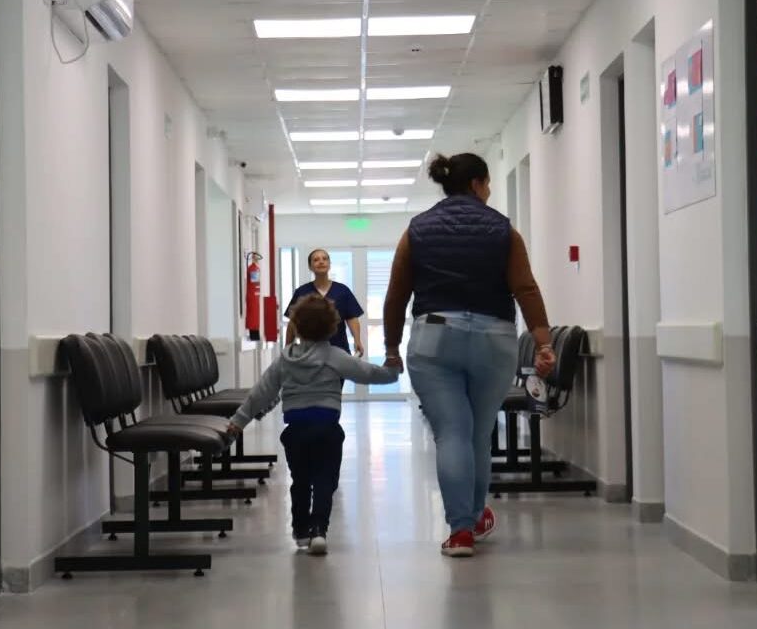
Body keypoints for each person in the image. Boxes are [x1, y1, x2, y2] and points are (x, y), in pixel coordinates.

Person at [382, 152, 556, 558]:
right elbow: (525, 289)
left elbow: (396, 294)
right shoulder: (503, 230)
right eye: (489, 184)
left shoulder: (417, 230)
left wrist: (391, 345)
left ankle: (461, 530)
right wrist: (544, 342)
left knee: (452, 433)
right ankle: (474, 518)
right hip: (494, 337)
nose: (490, 191)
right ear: (477, 184)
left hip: (434, 336)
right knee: (479, 432)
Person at [228, 294, 398, 555]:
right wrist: (391, 372)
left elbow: (261, 392)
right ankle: (319, 528)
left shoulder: (285, 359)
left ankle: (300, 529)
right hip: (327, 428)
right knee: (324, 480)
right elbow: (367, 373)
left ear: (295, 325)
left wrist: (239, 421)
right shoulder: (335, 355)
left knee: (300, 480)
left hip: (295, 431)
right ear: (332, 325)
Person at [285, 249, 365, 356]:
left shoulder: (343, 291)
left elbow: (352, 318)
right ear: (310, 266)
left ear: (329, 264)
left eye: (325, 259)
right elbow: (293, 322)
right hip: (309, 353)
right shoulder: (302, 292)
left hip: (339, 350)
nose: (321, 262)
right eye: (316, 260)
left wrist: (357, 340)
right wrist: (288, 346)